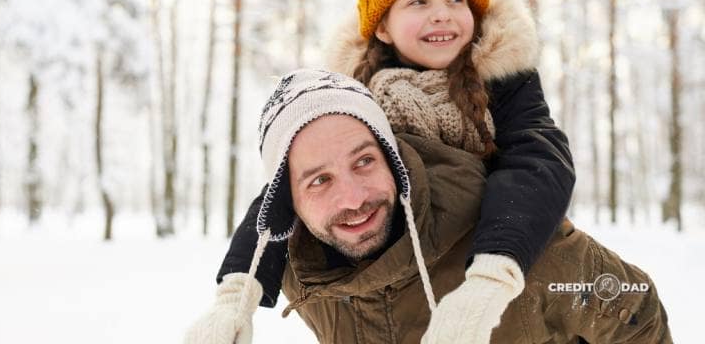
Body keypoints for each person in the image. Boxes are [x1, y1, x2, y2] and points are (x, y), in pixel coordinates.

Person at [197, 0, 574, 341]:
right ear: (382, 27)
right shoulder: (355, 96)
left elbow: (537, 163)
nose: (442, 14)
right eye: (419, 2)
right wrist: (236, 295)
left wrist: (491, 276)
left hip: (490, 269)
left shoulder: (507, 83)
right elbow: (290, 186)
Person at [186, 69, 671, 343]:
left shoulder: (516, 243)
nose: (353, 199)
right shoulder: (302, 268)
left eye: (364, 162)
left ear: (393, 160)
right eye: (319, 180)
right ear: (288, 199)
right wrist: (233, 300)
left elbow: (636, 309)